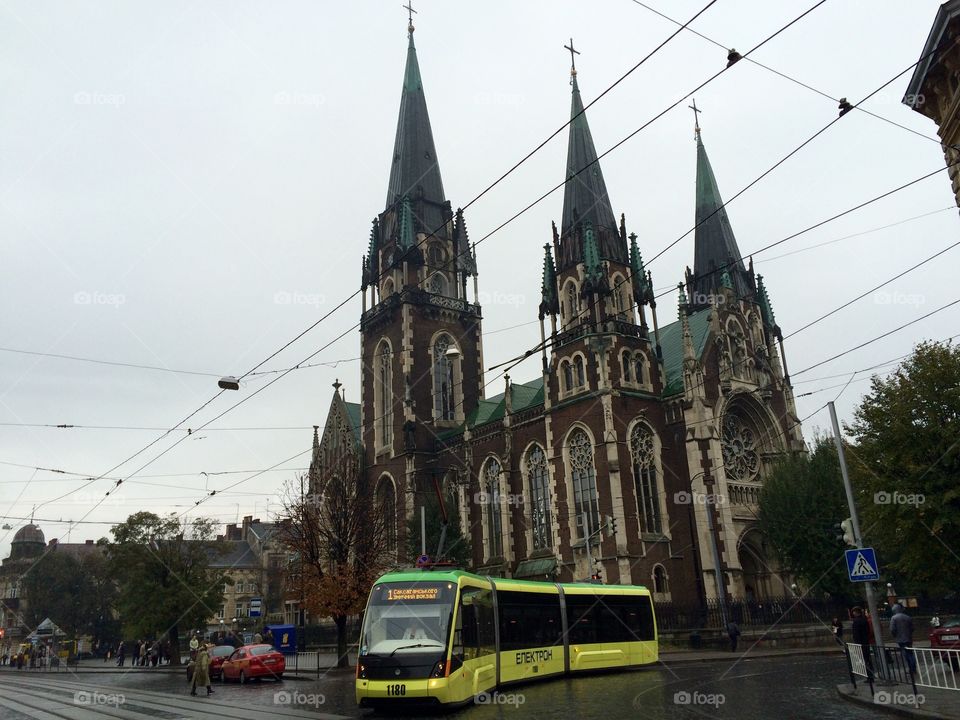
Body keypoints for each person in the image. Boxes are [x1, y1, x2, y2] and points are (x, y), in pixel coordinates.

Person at [890, 603, 916, 674]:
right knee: (910, 653)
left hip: (900, 639)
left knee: (906, 654)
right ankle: (913, 668)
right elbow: (912, 628)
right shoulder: (907, 617)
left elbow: (892, 629)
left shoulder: (894, 618)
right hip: (908, 638)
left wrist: (895, 635)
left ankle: (911, 669)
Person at [851, 607, 872, 677]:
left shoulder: (856, 621)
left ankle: (868, 675)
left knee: (864, 659)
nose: (853, 613)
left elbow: (856, 634)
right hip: (866, 641)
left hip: (860, 642)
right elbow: (868, 631)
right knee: (867, 658)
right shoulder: (864, 620)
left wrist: (856, 642)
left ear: (856, 612)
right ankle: (870, 673)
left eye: (853, 612)